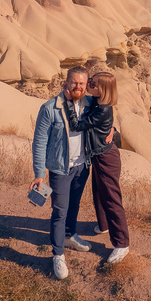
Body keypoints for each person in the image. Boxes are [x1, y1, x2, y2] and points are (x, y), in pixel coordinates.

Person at [30, 66, 95, 279]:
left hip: (82, 166)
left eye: (81, 84)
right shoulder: (50, 108)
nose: (77, 87)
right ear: (65, 83)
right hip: (60, 168)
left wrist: (112, 129)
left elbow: (104, 119)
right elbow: (39, 143)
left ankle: (70, 235)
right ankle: (58, 254)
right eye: (74, 82)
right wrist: (39, 173)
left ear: (86, 86)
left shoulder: (89, 106)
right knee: (59, 211)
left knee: (74, 205)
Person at [65, 71, 130, 264]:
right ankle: (104, 225)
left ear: (101, 89)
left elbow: (77, 125)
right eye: (89, 82)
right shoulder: (97, 102)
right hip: (98, 155)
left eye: (92, 83)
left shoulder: (102, 109)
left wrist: (69, 102)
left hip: (106, 157)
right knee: (98, 193)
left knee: (111, 198)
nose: (88, 86)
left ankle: (122, 243)